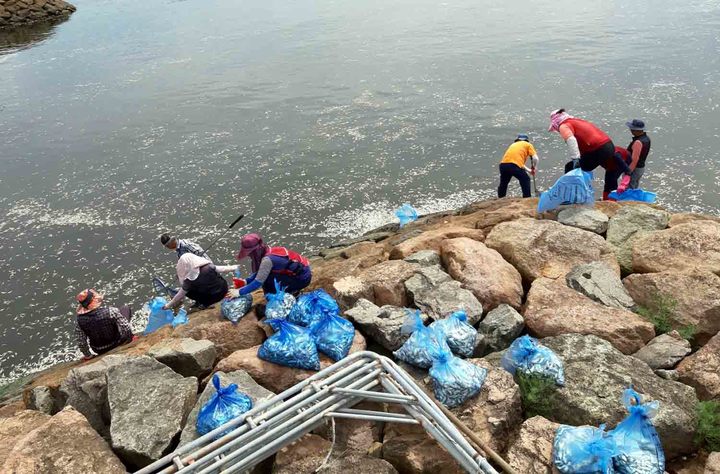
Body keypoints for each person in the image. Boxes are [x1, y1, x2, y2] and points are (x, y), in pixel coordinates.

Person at [235, 233, 312, 296]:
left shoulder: (267, 261)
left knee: (268, 286)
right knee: (267, 276)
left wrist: (239, 292)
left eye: (249, 253)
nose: (249, 255)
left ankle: (293, 292)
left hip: (302, 278)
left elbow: (257, 283)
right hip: (303, 270)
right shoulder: (268, 250)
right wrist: (246, 281)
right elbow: (262, 271)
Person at [548, 109, 615, 173]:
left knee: (570, 168)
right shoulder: (576, 121)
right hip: (609, 146)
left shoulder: (563, 125)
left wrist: (575, 159)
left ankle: (575, 185)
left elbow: (571, 141)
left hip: (599, 149)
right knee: (610, 173)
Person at [74, 289, 134, 360]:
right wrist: (128, 339)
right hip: (117, 342)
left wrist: (88, 355)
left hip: (98, 349)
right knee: (125, 308)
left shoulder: (79, 321)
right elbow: (126, 327)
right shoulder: (111, 311)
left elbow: (81, 342)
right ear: (94, 300)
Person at [163, 253, 237, 310]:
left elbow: (179, 295)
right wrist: (234, 267)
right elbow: (223, 269)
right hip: (223, 290)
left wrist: (167, 305)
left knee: (187, 291)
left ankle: (206, 304)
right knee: (216, 277)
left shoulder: (189, 282)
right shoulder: (208, 266)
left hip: (212, 299)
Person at [497, 134, 539, 198]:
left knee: (504, 183)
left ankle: (500, 198)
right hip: (514, 165)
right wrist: (534, 167)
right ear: (527, 140)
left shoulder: (513, 145)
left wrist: (530, 170)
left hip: (503, 165)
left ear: (517, 140)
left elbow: (519, 163)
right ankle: (527, 198)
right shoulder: (528, 144)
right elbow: (535, 158)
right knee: (525, 179)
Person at [625, 119, 651, 189]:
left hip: (634, 169)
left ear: (636, 130)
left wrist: (628, 172)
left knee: (629, 188)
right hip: (641, 168)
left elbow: (634, 160)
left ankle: (629, 199)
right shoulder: (647, 139)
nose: (630, 130)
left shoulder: (638, 142)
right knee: (634, 185)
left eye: (632, 129)